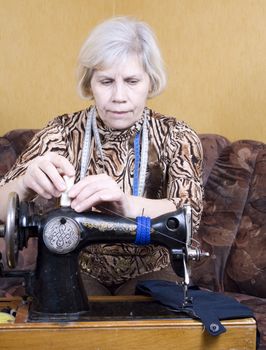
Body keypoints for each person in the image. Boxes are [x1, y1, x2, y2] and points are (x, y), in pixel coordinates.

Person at [0, 17, 203, 295]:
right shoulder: (60, 133)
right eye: (106, 81)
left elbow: (189, 216)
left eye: (132, 81)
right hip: (77, 266)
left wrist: (126, 206)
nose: (119, 96)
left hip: (153, 268)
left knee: (146, 328)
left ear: (150, 82)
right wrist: (23, 184)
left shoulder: (176, 136)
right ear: (89, 83)